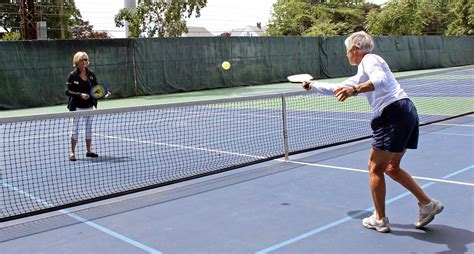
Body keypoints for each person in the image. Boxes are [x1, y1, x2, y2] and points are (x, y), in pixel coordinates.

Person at [302, 31, 443, 233]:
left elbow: (381, 80)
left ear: (353, 48)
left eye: (346, 50)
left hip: (392, 114)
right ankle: (427, 204)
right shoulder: (362, 72)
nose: (346, 54)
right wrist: (313, 85)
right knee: (392, 167)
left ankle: (379, 218)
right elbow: (340, 87)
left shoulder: (370, 59)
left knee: (375, 168)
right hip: (406, 111)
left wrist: (356, 90)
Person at [65, 51, 102, 161]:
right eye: (82, 60)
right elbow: (67, 91)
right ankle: (72, 152)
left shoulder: (91, 75)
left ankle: (89, 151)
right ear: (77, 61)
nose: (85, 62)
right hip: (76, 107)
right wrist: (80, 95)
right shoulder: (72, 75)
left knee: (89, 129)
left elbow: (96, 89)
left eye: (86, 59)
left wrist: (104, 93)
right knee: (75, 129)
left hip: (89, 106)